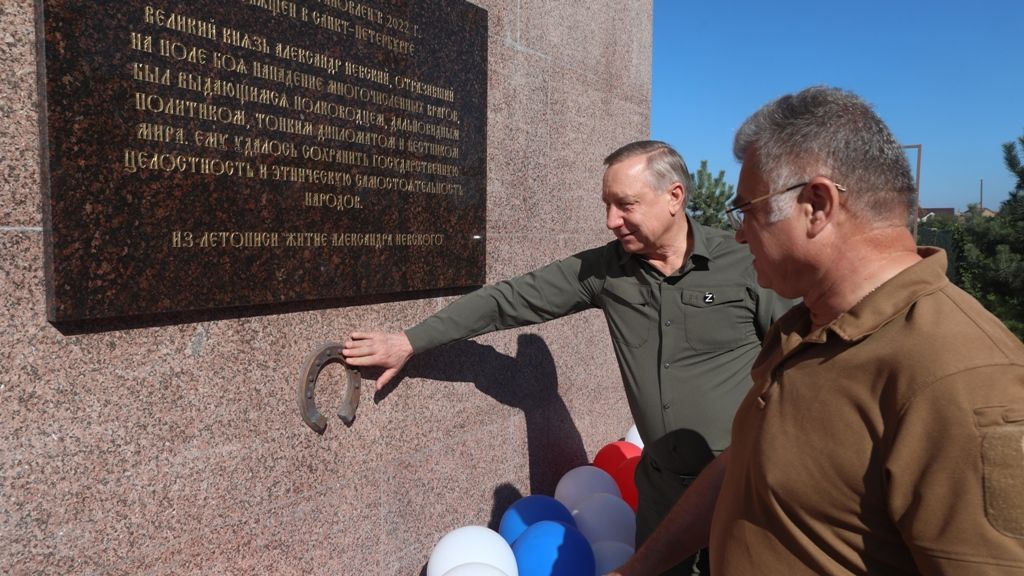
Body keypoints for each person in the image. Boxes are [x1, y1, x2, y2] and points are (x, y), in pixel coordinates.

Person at [611, 86, 1024, 576]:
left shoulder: (962, 376)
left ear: (817, 204)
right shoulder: (806, 328)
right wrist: (638, 568)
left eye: (747, 210)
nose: (739, 233)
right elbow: (743, 466)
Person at [342, 140, 796, 575]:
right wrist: (410, 341)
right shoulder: (607, 271)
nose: (611, 220)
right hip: (662, 500)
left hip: (742, 492)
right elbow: (508, 300)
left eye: (625, 204)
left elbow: (803, 365)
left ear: (674, 196)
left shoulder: (745, 263)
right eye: (606, 205)